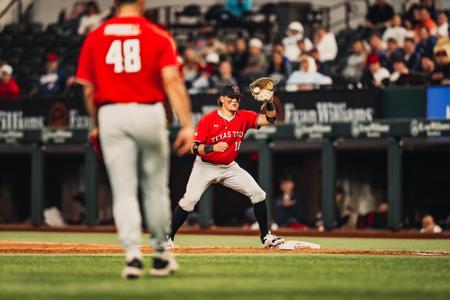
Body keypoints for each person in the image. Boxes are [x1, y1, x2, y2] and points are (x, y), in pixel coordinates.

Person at [76, 0, 193, 279]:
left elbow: (89, 92)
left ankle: (132, 257)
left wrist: (96, 124)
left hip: (111, 114)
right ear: (142, 2)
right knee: (155, 189)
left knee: (124, 191)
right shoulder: (157, 34)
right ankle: (162, 256)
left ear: (114, 3)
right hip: (148, 112)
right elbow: (172, 81)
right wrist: (187, 123)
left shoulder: (95, 37)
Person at [167, 83, 285, 249]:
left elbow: (270, 119)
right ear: (221, 99)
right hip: (205, 166)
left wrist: (270, 102)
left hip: (229, 167)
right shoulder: (208, 119)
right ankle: (168, 238)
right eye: (231, 97)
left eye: (237, 98)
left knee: (258, 194)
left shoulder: (244, 116)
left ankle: (266, 237)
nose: (235, 100)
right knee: (189, 201)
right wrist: (212, 148)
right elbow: (194, 148)